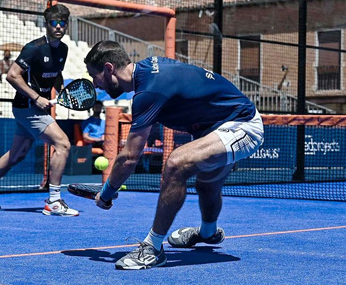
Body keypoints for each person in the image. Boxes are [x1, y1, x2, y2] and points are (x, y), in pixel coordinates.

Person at [85, 40, 264, 270]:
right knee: (207, 185)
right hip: (214, 125)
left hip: (241, 124)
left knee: (176, 164)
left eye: (94, 76)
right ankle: (208, 234)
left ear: (109, 68)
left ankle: (153, 248)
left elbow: (130, 157)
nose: (95, 84)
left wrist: (107, 194)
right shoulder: (148, 72)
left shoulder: (149, 89)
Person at [0, 3, 79, 216]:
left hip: (32, 108)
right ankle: (54, 201)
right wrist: (36, 97)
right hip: (27, 106)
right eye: (53, 23)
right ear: (46, 25)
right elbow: (12, 75)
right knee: (63, 144)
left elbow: (56, 74)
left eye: (62, 23)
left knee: (17, 154)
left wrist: (62, 90)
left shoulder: (63, 50)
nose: (58, 27)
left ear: (67, 25)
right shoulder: (34, 48)